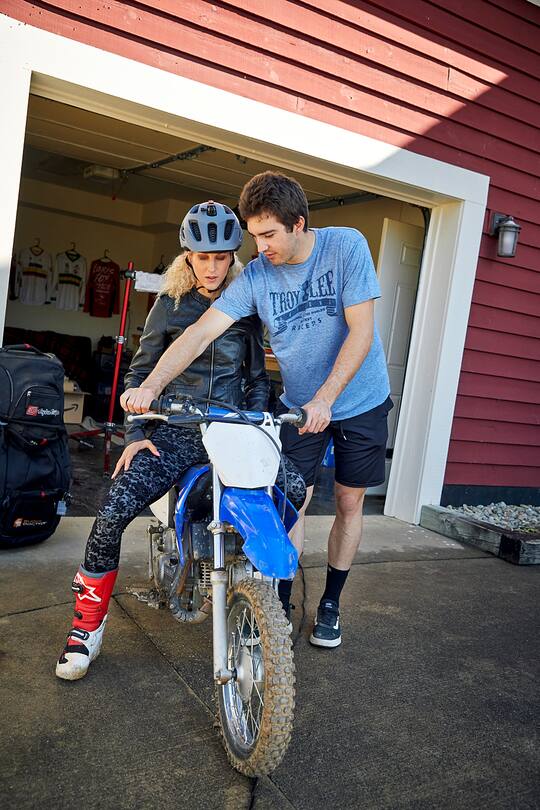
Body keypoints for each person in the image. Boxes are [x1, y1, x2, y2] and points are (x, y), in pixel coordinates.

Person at [122, 173, 392, 650]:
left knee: (349, 504)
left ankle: (330, 601)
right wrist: (149, 386)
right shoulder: (257, 278)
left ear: (297, 224)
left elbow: (361, 332)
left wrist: (327, 399)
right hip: (300, 409)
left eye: (269, 235)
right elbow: (200, 333)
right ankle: (282, 599)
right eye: (254, 236)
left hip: (359, 401)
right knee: (293, 499)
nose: (260, 246)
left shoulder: (345, 247)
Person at [56, 201, 306, 680]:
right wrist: (135, 431)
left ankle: (259, 594)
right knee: (112, 512)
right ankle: (86, 630)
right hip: (176, 433)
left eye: (221, 257)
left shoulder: (246, 306)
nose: (212, 267)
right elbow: (142, 372)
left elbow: (256, 379)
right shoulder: (169, 305)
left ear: (234, 256)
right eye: (201, 256)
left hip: (233, 434)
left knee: (293, 487)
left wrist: (262, 420)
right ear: (187, 257)